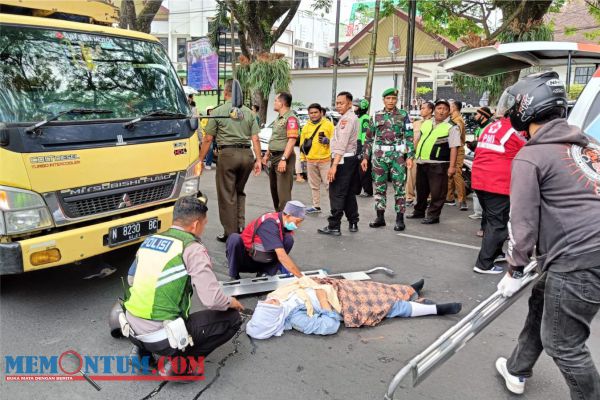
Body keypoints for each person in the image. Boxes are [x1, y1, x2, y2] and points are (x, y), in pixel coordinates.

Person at [494, 71, 600, 399]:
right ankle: (517, 368)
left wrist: (514, 267)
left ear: (528, 107)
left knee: (564, 345)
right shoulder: (589, 147)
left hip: (578, 260)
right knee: (542, 301)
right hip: (583, 254)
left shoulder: (532, 155)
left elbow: (522, 223)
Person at [123, 196, 244, 375]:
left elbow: (131, 279)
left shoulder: (151, 240)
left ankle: (141, 354)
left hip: (131, 328)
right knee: (233, 318)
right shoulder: (192, 248)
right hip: (163, 337)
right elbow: (212, 300)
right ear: (195, 225)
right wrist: (232, 301)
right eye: (204, 224)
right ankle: (180, 365)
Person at [246, 277, 462, 339]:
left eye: (266, 303)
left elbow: (298, 284)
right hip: (341, 304)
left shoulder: (277, 299)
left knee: (372, 286)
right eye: (269, 307)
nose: (268, 301)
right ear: (272, 318)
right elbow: (329, 326)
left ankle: (408, 290)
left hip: (332, 288)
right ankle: (435, 309)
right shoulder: (295, 319)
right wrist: (323, 303)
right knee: (386, 305)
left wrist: (317, 284)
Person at [471, 91, 526, 274]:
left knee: (491, 221)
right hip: (497, 183)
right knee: (498, 224)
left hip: (480, 180)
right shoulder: (515, 131)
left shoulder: (492, 127)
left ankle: (495, 253)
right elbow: (530, 149)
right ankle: (483, 264)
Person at [200, 79, 262, 243]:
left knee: (227, 195)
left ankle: (231, 233)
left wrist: (200, 159)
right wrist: (259, 160)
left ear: (225, 92)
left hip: (227, 155)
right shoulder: (249, 112)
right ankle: (240, 227)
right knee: (239, 191)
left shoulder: (218, 111)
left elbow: (207, 139)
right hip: (247, 155)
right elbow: (255, 139)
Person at [361, 88, 415, 231]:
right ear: (383, 100)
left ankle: (399, 219)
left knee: (399, 188)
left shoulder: (403, 115)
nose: (391, 101)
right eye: (388, 98)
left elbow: (409, 137)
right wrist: (365, 157)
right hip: (379, 157)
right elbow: (368, 139)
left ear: (396, 100)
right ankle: (380, 217)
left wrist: (410, 156)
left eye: (393, 98)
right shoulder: (376, 116)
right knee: (379, 187)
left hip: (397, 157)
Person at [408, 99, 461, 224]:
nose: (441, 111)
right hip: (422, 162)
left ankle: (433, 215)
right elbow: (418, 140)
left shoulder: (452, 127)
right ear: (434, 110)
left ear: (449, 112)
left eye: (445, 109)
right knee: (421, 190)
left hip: (439, 164)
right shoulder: (426, 123)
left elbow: (454, 148)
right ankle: (419, 211)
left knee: (437, 192)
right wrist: (411, 155)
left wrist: (452, 167)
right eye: (439, 108)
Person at [225, 200, 306, 279]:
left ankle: (266, 272)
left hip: (264, 260)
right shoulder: (269, 223)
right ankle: (234, 274)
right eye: (297, 221)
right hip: (248, 258)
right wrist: (301, 278)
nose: (297, 225)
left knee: (288, 239)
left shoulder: (283, 224)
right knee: (234, 238)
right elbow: (281, 256)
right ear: (288, 216)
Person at [318, 91, 360, 236]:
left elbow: (342, 144)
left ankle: (334, 225)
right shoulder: (349, 117)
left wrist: (334, 166)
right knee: (347, 192)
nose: (338, 106)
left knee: (336, 193)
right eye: (336, 103)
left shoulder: (346, 120)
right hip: (348, 159)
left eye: (341, 103)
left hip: (342, 160)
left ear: (349, 104)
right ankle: (353, 221)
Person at [262, 92, 299, 211]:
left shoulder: (291, 118)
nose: (274, 102)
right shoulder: (279, 118)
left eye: (275, 100)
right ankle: (278, 217)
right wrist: (267, 154)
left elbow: (292, 140)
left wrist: (284, 159)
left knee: (283, 193)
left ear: (282, 103)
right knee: (275, 191)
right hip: (274, 157)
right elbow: (275, 137)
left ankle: (285, 224)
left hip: (283, 157)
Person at [299, 103, 334, 214]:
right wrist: (302, 159)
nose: (313, 115)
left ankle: (334, 208)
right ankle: (316, 206)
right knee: (314, 185)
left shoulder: (328, 125)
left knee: (329, 185)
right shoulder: (306, 127)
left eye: (315, 112)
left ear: (321, 113)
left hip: (326, 160)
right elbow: (302, 144)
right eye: (311, 113)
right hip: (310, 160)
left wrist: (328, 141)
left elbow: (336, 141)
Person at [467, 106, 494, 225]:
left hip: (487, 162)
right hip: (478, 159)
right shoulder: (480, 127)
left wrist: (475, 145)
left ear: (483, 116)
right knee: (477, 188)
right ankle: (479, 212)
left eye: (477, 114)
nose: (475, 117)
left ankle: (485, 216)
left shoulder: (491, 127)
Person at [406, 101, 434, 207]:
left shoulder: (435, 123)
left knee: (428, 178)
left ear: (430, 110)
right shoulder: (416, 123)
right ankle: (409, 197)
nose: (421, 110)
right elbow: (409, 138)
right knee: (411, 176)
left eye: (423, 108)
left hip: (428, 155)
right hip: (414, 154)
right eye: (421, 108)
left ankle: (428, 198)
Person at [445, 100, 468, 210]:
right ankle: (449, 198)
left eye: (449, 107)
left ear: (453, 108)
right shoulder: (452, 120)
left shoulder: (458, 121)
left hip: (457, 150)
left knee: (457, 174)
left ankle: (462, 200)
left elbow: (456, 137)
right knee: (449, 174)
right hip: (451, 149)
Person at [354, 98, 373, 198]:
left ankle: (368, 191)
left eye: (356, 106)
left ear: (362, 107)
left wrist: (363, 149)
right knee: (357, 170)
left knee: (364, 169)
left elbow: (365, 134)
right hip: (357, 144)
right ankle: (356, 190)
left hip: (362, 145)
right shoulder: (359, 118)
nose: (355, 108)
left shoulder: (365, 118)